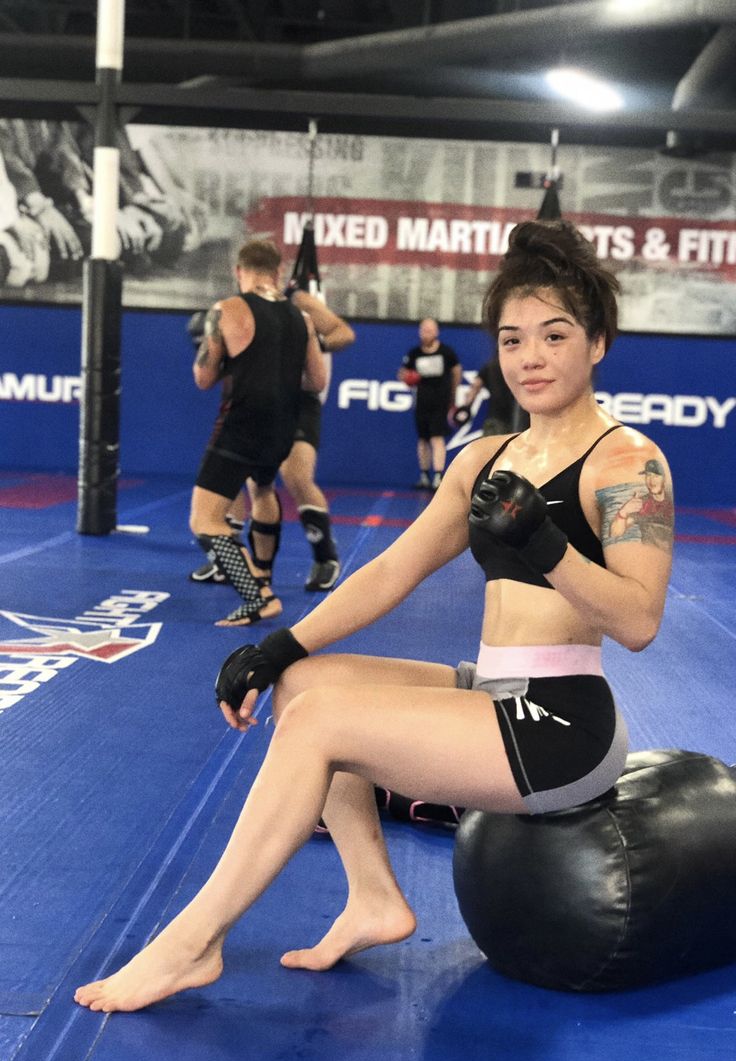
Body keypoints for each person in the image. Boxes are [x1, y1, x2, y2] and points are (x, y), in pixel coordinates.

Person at [74, 219, 675, 1013]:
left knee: (323, 728)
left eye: (554, 335)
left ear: (597, 342)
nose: (530, 357)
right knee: (304, 686)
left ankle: (191, 943)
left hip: (563, 726)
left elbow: (638, 621)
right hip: (492, 692)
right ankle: (372, 898)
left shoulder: (628, 462)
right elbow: (392, 571)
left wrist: (549, 547)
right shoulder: (482, 461)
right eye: (512, 337)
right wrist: (277, 645)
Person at [188, 238, 326, 627]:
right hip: (283, 427)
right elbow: (317, 380)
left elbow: (203, 378)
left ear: (239, 271)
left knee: (205, 520)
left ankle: (258, 595)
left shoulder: (228, 310)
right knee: (262, 490)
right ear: (278, 272)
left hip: (241, 425)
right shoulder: (302, 318)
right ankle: (262, 571)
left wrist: (216, 350)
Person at [190, 288, 355, 592]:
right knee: (242, 478)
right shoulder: (240, 305)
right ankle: (236, 561)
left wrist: (307, 346)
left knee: (296, 475)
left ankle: (325, 557)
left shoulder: (298, 300)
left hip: (300, 399)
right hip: (258, 401)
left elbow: (344, 333)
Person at [397, 318, 462, 490]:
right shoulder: (414, 353)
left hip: (440, 402)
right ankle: (424, 475)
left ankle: (438, 476)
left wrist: (452, 395)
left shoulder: (446, 352)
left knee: (436, 438)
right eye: (423, 330)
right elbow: (402, 373)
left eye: (429, 330)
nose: (426, 333)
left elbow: (456, 371)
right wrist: (408, 378)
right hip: (421, 402)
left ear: (436, 332)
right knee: (423, 439)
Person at [454, 353, 530, 437]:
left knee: (491, 448)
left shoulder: (490, 365)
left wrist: (466, 407)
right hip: (519, 419)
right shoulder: (521, 367)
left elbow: (475, 388)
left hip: (497, 419)